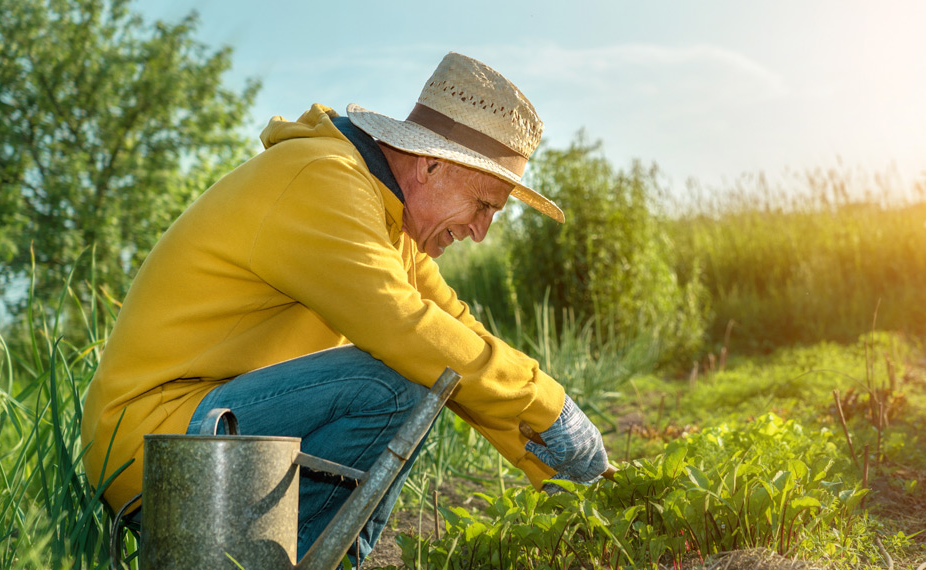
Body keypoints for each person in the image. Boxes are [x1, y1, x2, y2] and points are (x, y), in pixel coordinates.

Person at [81, 52, 610, 564]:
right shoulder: (321, 179)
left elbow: (454, 329)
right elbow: (407, 329)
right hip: (156, 448)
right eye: (483, 205)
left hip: (218, 434)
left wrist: (549, 458)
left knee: (425, 371)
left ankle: (308, 559)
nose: (480, 231)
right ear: (431, 164)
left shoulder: (390, 223)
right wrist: (548, 407)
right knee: (396, 381)